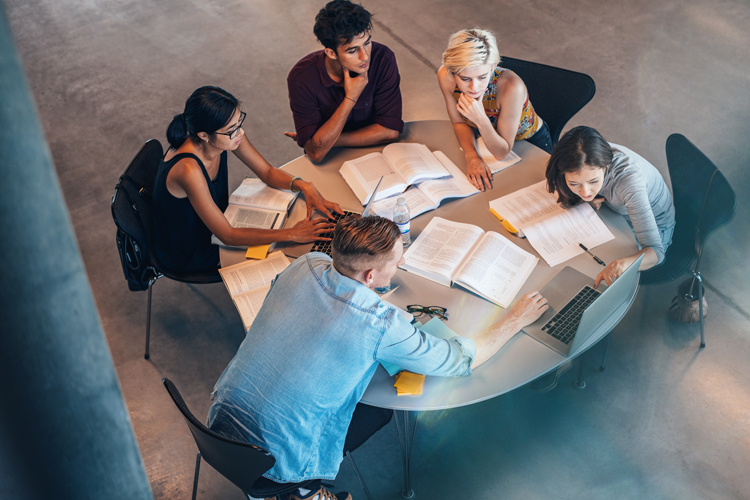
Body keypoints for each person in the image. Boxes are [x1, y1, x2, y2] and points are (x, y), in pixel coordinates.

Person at [207, 215, 548, 500]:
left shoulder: (307, 263)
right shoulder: (381, 323)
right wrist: (515, 319)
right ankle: (306, 491)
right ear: (370, 276)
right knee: (381, 411)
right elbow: (458, 361)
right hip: (278, 467)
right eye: (397, 262)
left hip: (218, 427)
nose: (400, 264)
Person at [152, 86, 342, 274]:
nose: (240, 133)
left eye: (239, 123)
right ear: (204, 135)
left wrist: (303, 185)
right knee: (283, 256)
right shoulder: (188, 170)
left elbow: (266, 171)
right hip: (189, 249)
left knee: (289, 230)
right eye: (232, 129)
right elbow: (227, 235)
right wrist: (292, 234)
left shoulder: (224, 136)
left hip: (216, 223)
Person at [546, 126, 676, 288]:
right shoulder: (585, 154)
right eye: (574, 183)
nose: (585, 192)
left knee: (590, 271)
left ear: (606, 165)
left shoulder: (630, 182)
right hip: (617, 212)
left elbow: (656, 252)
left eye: (593, 181)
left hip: (656, 225)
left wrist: (623, 264)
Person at [285, 0, 404, 163]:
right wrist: (350, 98)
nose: (365, 56)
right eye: (353, 50)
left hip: (377, 155)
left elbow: (390, 132)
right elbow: (316, 154)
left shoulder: (383, 59)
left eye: (367, 43)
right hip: (331, 161)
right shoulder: (302, 79)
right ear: (331, 53)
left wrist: (327, 141)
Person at [438, 28, 553, 192]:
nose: (474, 87)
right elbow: (458, 121)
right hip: (485, 138)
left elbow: (502, 152)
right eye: (465, 78)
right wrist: (471, 156)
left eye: (482, 77)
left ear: (492, 67)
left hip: (528, 142)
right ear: (452, 71)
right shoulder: (445, 77)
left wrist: (480, 119)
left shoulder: (511, 86)